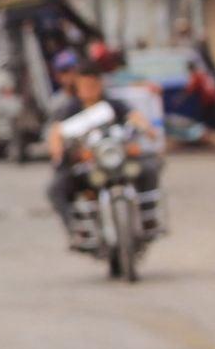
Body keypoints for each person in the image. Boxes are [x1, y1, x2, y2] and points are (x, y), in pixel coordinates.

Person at [46, 62, 161, 233]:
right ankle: (77, 228)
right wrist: (57, 151)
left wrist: (148, 130)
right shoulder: (70, 108)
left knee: (150, 168)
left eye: (93, 85)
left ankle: (147, 216)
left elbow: (135, 117)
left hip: (116, 160)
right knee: (57, 187)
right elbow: (56, 132)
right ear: (77, 86)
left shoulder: (113, 105)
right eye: (84, 85)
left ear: (100, 84)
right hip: (88, 164)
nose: (89, 90)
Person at [48, 49, 81, 119]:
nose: (71, 74)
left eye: (73, 68)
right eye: (65, 71)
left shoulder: (91, 90)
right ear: (57, 76)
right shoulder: (56, 103)